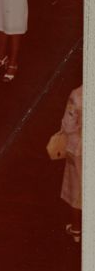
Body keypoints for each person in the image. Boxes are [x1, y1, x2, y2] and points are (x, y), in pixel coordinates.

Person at [60, 85, 83, 243]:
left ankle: (76, 230)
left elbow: (68, 124)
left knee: (77, 190)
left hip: (79, 149)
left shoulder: (77, 94)